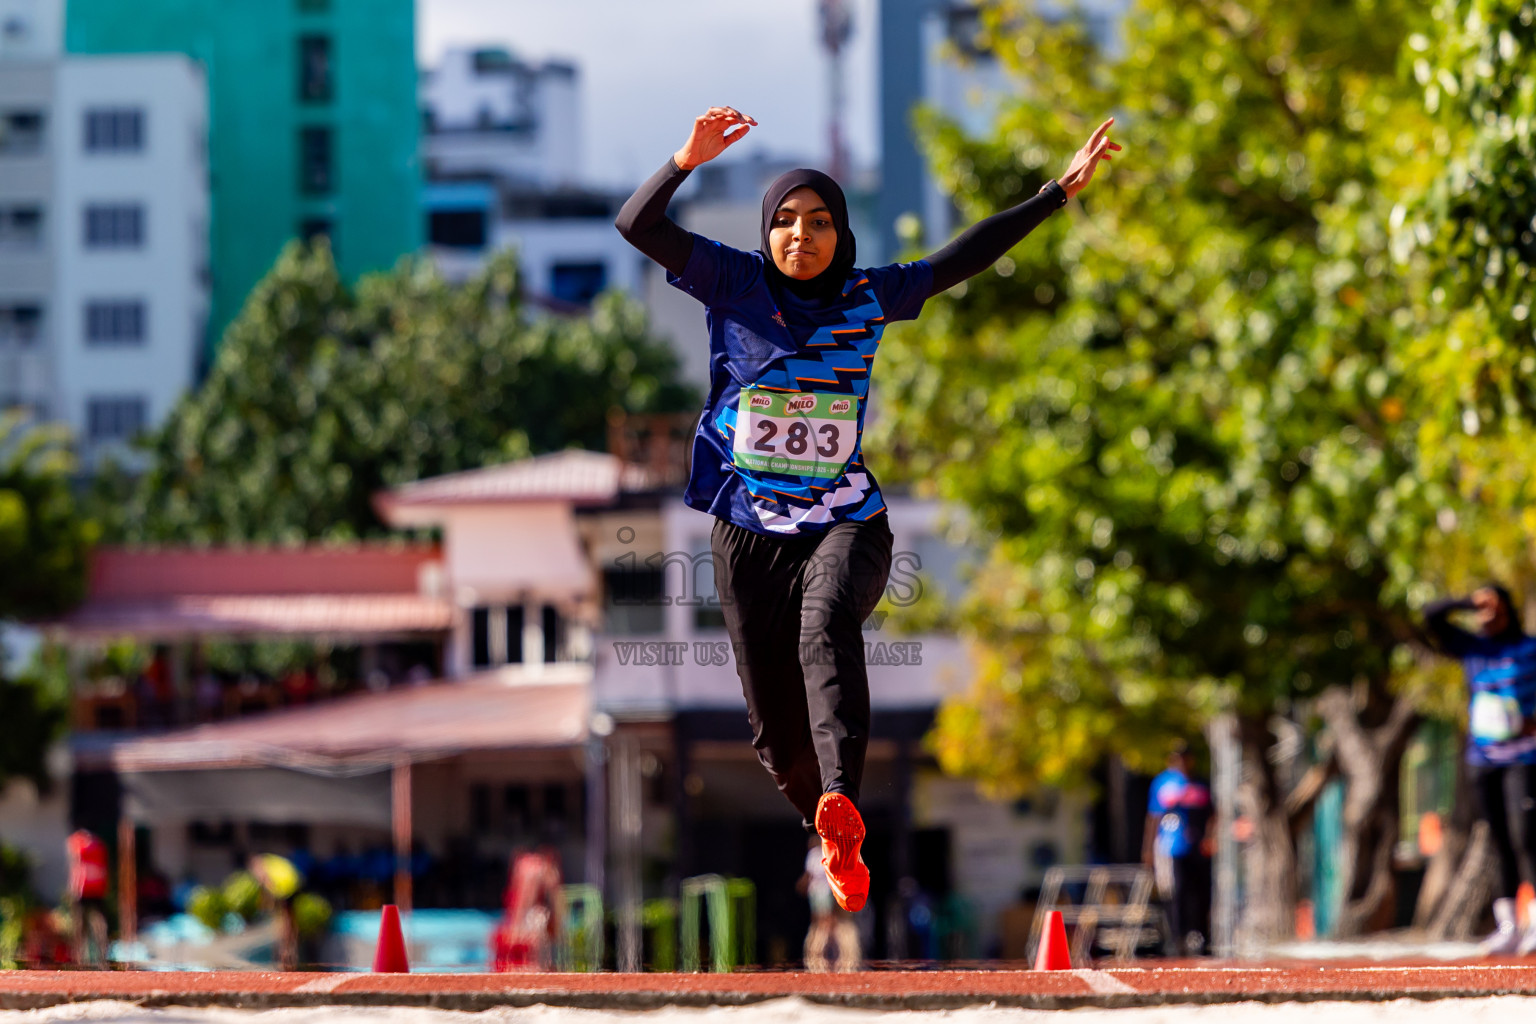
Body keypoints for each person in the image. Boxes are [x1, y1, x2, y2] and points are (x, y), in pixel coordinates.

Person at [616, 106, 1118, 913]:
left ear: (840, 234)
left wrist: (1056, 192)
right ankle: (830, 822)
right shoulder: (732, 281)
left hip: (847, 515)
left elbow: (967, 255)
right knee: (774, 733)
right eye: (783, 222)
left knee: (824, 627)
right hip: (746, 527)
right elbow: (636, 224)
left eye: (818, 223)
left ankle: (843, 788)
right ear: (766, 233)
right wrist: (685, 160)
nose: (799, 237)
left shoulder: (869, 296)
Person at [1424, 584, 1536, 955]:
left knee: (1526, 836)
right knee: (1499, 839)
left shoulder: (1528, 649)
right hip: (1483, 759)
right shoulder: (1473, 648)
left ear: (1508, 608)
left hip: (1524, 757)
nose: (1486, 613)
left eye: (1493, 605)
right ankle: (1508, 927)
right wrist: (1467, 602)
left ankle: (1534, 920)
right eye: (1481, 608)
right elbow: (1430, 615)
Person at [1142, 744, 1212, 956]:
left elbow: (1212, 814)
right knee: (1176, 893)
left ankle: (1201, 936)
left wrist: (1211, 837)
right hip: (1172, 847)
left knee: (1200, 893)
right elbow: (1153, 817)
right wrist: (1148, 848)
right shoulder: (1163, 783)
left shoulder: (1201, 783)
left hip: (1198, 847)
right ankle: (1177, 937)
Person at [798, 835, 860, 971]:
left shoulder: (836, 853)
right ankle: (817, 961)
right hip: (824, 894)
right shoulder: (817, 854)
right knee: (824, 925)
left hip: (836, 893)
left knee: (839, 926)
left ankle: (846, 962)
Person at [65, 828, 110, 965]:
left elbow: (76, 865)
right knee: (96, 923)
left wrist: (73, 888)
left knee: (81, 925)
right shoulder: (99, 846)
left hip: (84, 890)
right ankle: (100, 956)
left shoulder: (79, 844)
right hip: (96, 889)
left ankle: (80, 958)